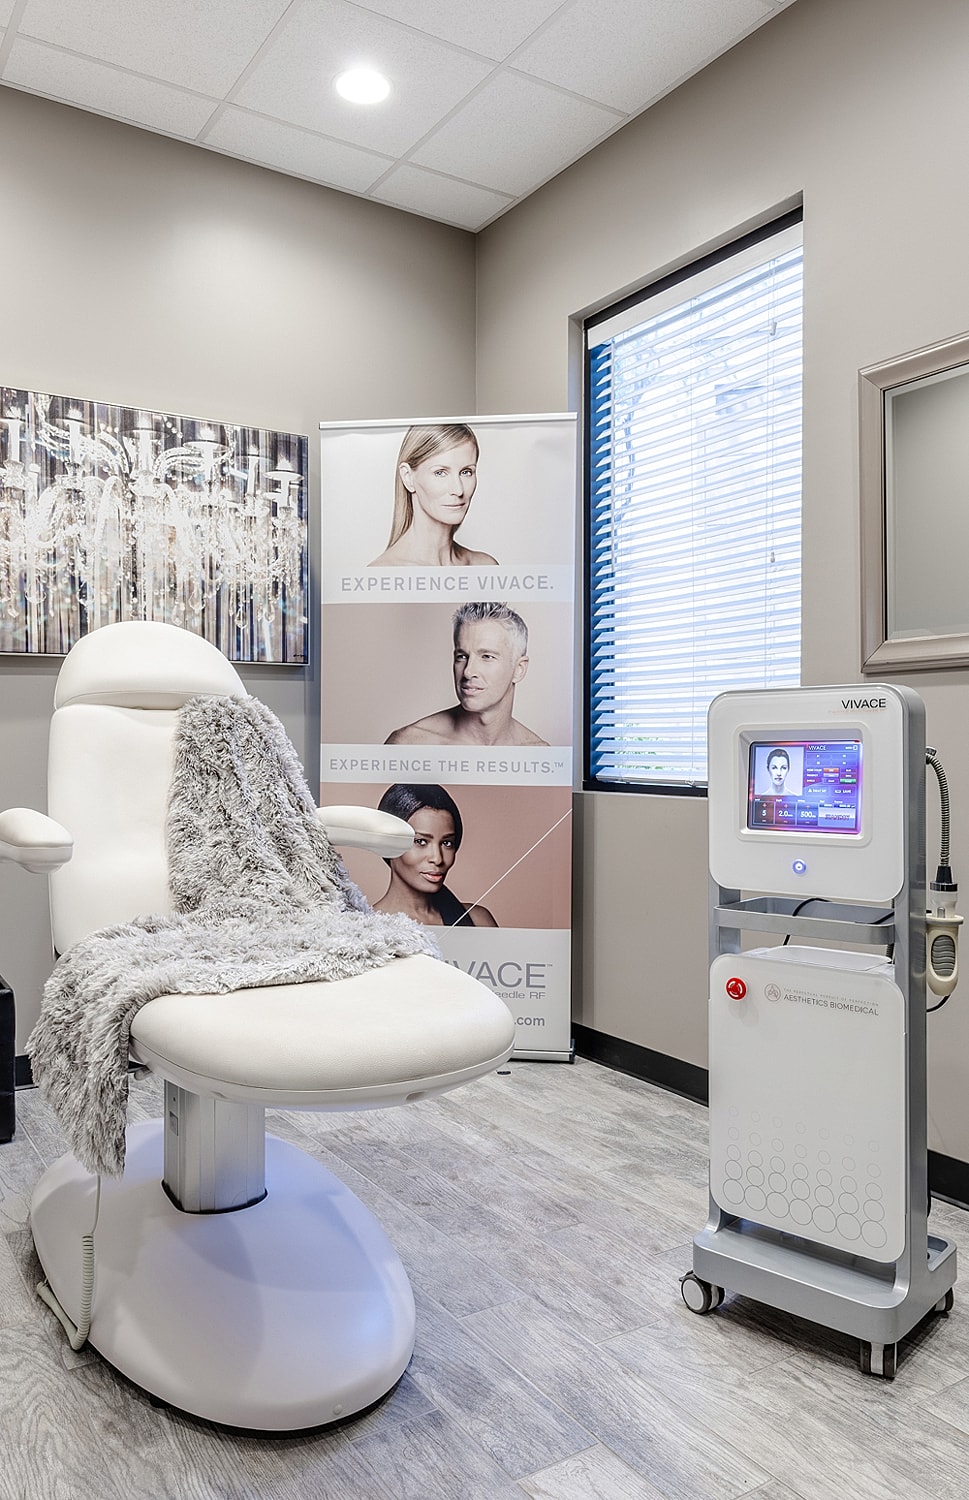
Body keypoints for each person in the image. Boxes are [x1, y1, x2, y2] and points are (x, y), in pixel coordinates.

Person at [385, 601, 549, 747]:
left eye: (487, 656)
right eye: (462, 656)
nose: (468, 671)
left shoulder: (538, 754)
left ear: (519, 669)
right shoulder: (409, 744)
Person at [368, 423, 498, 567]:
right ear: (408, 477)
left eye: (466, 472)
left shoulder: (485, 566)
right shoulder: (383, 573)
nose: (458, 490)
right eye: (440, 473)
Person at [372, 784, 497, 928]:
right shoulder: (365, 928)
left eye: (446, 843)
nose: (438, 859)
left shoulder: (479, 921)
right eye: (421, 841)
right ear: (388, 844)